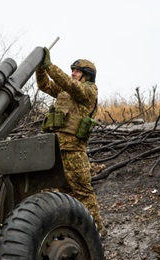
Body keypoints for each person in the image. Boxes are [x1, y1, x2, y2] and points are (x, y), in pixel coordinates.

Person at [35, 48, 106, 237]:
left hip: (74, 150)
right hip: (56, 148)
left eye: (77, 71)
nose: (73, 73)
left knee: (83, 192)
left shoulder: (88, 91)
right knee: (63, 193)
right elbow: (44, 85)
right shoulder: (65, 92)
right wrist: (40, 68)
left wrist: (49, 65)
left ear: (87, 75)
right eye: (72, 70)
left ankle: (97, 233)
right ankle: (73, 230)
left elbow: (68, 83)